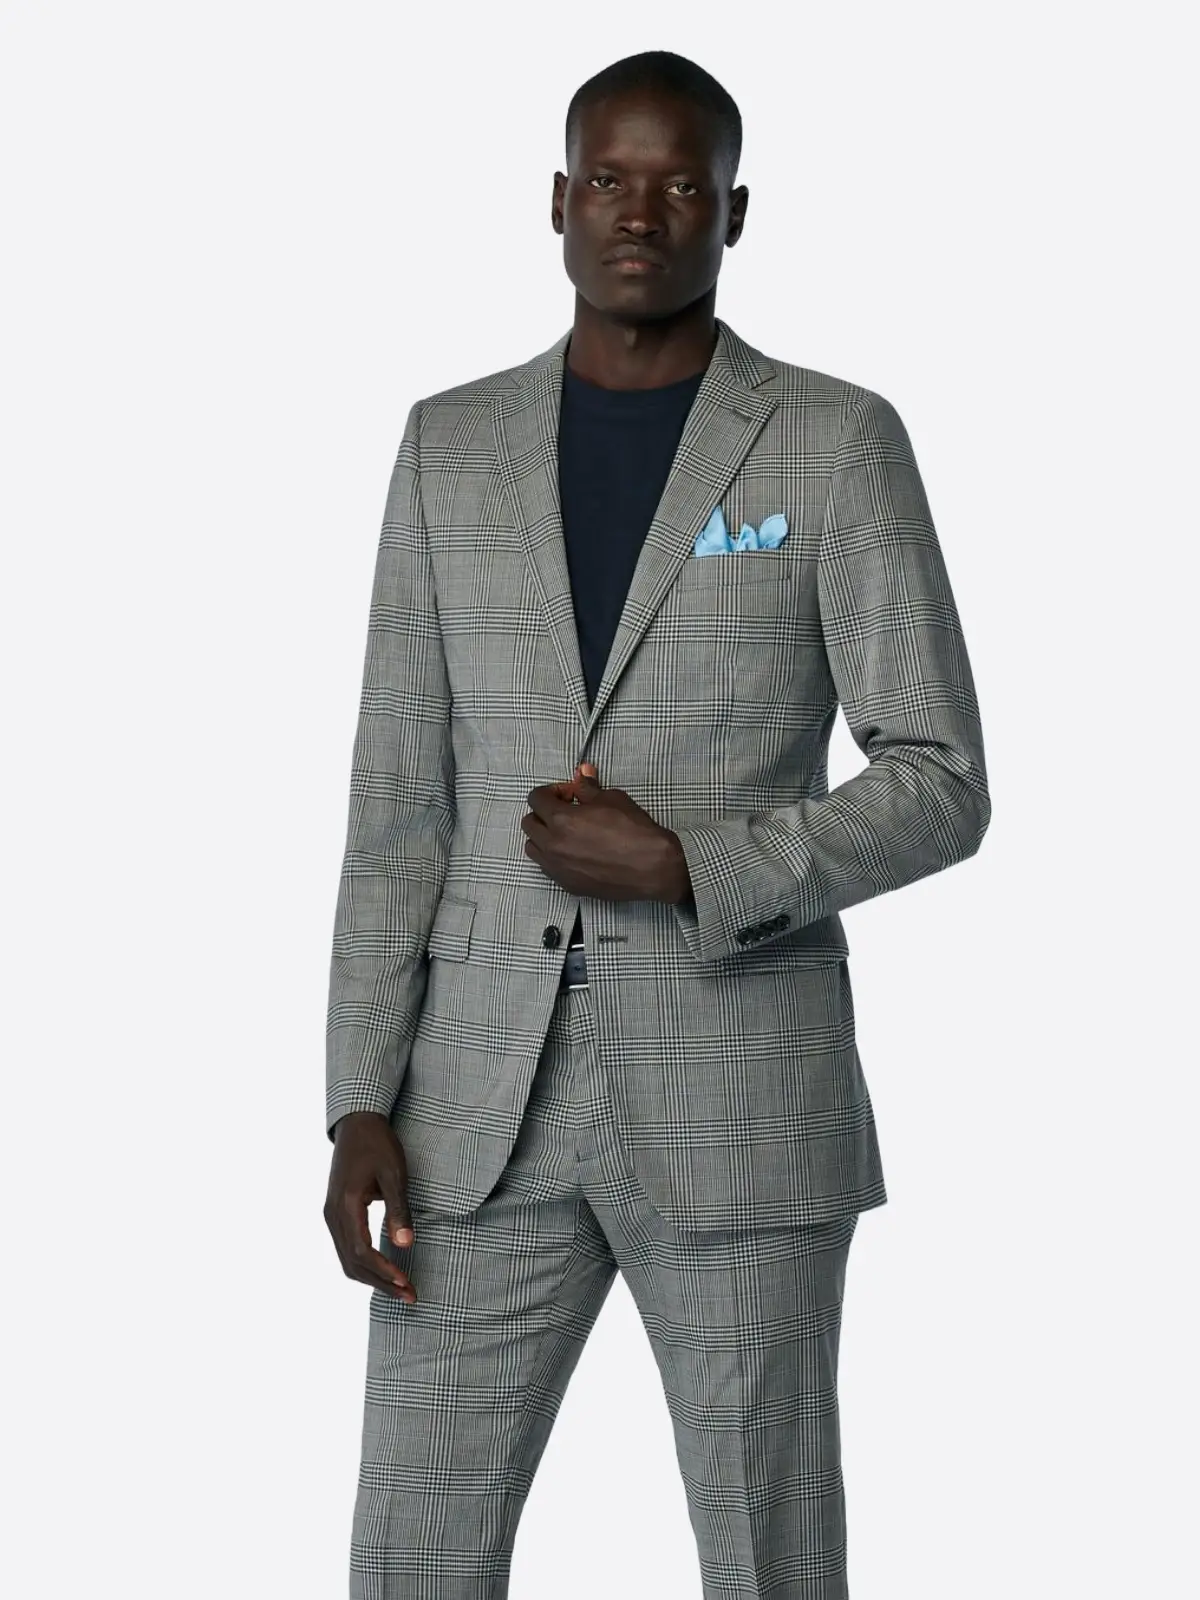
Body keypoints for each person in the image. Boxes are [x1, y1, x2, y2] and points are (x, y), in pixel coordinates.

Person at [323, 47, 989, 1600]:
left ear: (733, 213)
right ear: (558, 202)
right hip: (473, 1116)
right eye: (611, 181)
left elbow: (941, 776)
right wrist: (357, 1098)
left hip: (741, 1104)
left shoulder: (833, 441)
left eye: (682, 183)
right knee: (411, 1558)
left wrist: (696, 864)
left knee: (769, 1562)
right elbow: (397, 804)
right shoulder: (445, 446)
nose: (642, 212)